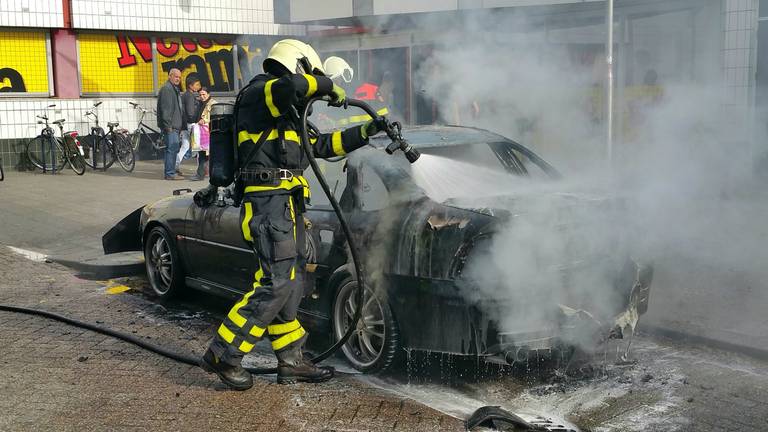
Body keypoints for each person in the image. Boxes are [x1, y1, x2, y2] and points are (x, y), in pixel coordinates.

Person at [199, 39, 388, 390]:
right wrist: (328, 85)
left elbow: (319, 147)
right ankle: (224, 354)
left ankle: (290, 361)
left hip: (286, 207)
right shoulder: (261, 94)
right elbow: (292, 86)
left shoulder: (284, 115)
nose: (311, 87)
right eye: (310, 74)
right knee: (275, 284)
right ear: (296, 63)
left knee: (292, 284)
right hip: (269, 205)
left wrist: (366, 131)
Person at [157, 68, 184, 180]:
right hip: (171, 127)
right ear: (170, 76)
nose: (178, 79)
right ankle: (170, 174)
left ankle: (171, 172)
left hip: (174, 126)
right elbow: (166, 110)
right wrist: (168, 126)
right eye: (176, 76)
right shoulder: (167, 89)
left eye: (179, 77)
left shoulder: (172, 89)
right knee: (171, 149)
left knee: (173, 149)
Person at [178, 74, 202, 175]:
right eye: (196, 85)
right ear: (190, 86)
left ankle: (175, 166)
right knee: (198, 148)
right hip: (191, 125)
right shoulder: (190, 96)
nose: (198, 86)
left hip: (184, 125)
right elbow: (191, 113)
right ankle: (200, 170)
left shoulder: (185, 95)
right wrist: (196, 121)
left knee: (185, 147)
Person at [189, 87, 214, 181]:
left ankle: (200, 174)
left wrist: (205, 120)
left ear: (208, 94)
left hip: (208, 132)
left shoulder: (212, 104)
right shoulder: (201, 103)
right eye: (200, 95)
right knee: (203, 154)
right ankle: (204, 173)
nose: (202, 96)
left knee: (204, 154)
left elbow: (213, 117)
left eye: (203, 94)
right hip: (202, 132)